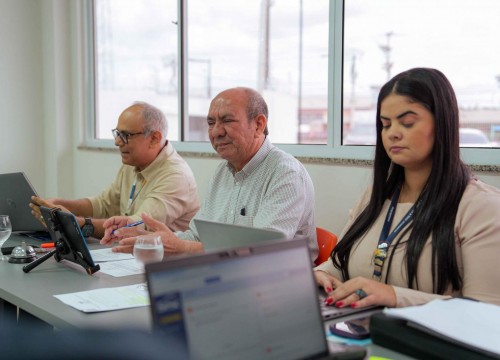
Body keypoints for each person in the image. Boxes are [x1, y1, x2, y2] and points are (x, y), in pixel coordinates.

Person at [315, 68, 500, 308]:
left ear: (442, 123)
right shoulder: (375, 196)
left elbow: (488, 314)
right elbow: (339, 264)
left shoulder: (481, 207)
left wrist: (394, 296)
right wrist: (323, 275)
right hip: (361, 333)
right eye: (385, 124)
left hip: (428, 345)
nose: (392, 134)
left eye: (407, 123)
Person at [100, 87, 318, 260]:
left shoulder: (285, 174)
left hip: (277, 287)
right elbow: (195, 236)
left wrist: (183, 248)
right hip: (227, 278)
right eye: (211, 123)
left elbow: (261, 254)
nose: (216, 132)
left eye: (227, 121)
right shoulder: (223, 171)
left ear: (259, 124)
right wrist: (151, 239)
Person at [30, 102, 200, 238]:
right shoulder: (133, 164)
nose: (117, 142)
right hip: (131, 257)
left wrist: (76, 223)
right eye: (117, 133)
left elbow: (136, 225)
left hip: (161, 265)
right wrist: (58, 204)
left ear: (154, 138)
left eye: (126, 135)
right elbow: (103, 205)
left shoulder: (176, 176)